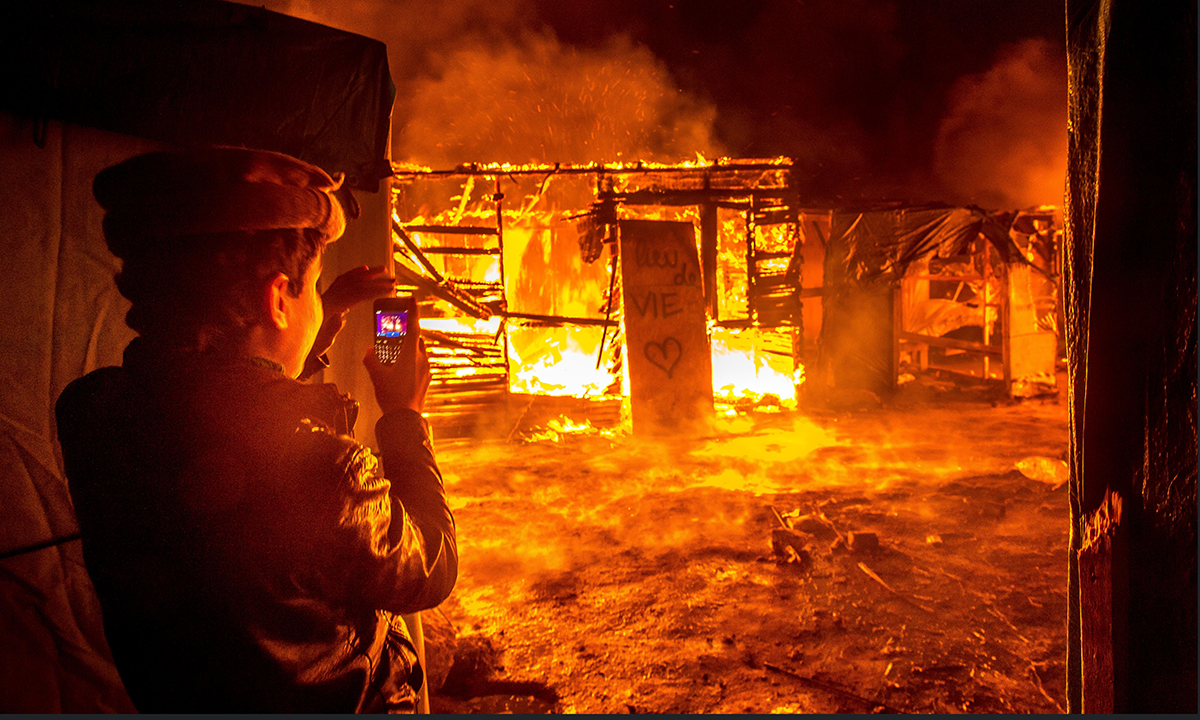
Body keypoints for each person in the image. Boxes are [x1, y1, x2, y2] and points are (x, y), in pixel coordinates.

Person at [54, 147, 457, 713]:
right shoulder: (326, 469)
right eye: (311, 288)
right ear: (277, 299)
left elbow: (216, 401)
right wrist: (404, 416)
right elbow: (430, 569)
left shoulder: (92, 410)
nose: (319, 301)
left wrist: (320, 318)